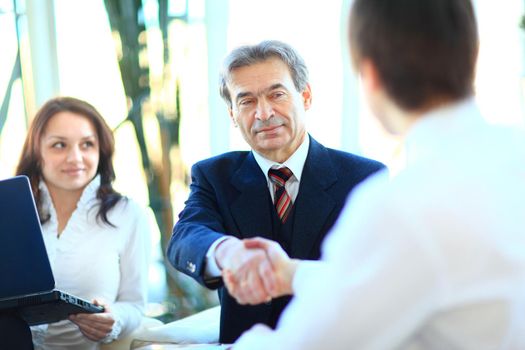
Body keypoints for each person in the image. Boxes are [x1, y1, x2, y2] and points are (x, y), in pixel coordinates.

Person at [230, 0, 525, 349]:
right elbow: (406, 276)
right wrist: (292, 273)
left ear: (369, 75)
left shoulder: (401, 207)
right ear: (473, 52)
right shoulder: (511, 160)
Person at [166, 40, 385, 343]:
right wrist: (227, 252)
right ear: (232, 114)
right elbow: (186, 236)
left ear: (305, 96)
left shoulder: (366, 178)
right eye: (246, 101)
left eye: (276, 94)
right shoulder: (213, 176)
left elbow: (377, 276)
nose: (263, 113)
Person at [13, 96, 151, 350]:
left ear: (101, 150)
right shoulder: (10, 212)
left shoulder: (128, 214)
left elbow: (135, 305)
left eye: (87, 144)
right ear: (37, 152)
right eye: (59, 145)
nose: (75, 157)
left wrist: (114, 319)